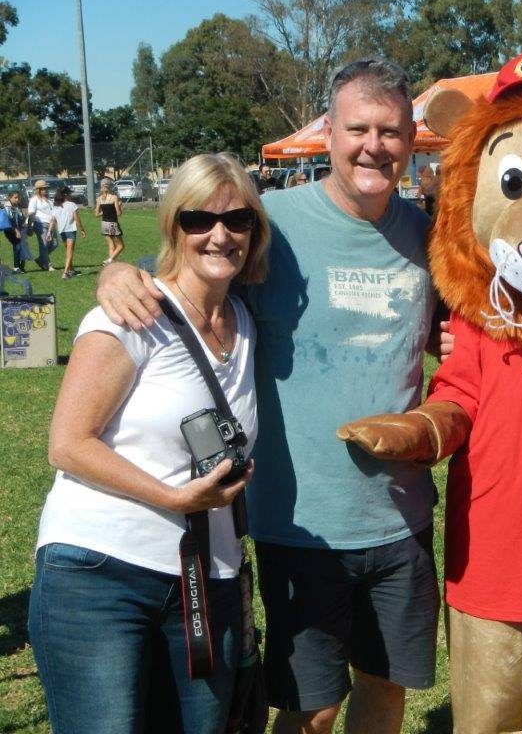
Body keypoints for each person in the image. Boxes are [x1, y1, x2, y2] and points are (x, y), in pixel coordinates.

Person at [96, 58, 437, 734]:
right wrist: (120, 271)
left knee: (387, 691)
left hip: (400, 518)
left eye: (391, 131)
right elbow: (192, 260)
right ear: (329, 133)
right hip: (299, 519)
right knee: (310, 710)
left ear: (411, 140)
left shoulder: (429, 236)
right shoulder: (272, 221)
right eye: (358, 128)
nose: (375, 145)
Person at [28, 153, 270, 734]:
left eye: (238, 220)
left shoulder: (244, 318)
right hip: (99, 576)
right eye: (198, 220)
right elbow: (67, 444)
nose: (219, 235)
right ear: (172, 226)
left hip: (203, 580)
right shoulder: (132, 315)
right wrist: (172, 497)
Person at [49, 186, 85, 279]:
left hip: (62, 232)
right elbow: (77, 219)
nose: (70, 195)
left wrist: (49, 232)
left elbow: (52, 220)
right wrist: (82, 229)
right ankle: (65, 273)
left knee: (68, 251)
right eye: (69, 194)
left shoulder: (56, 206)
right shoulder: (72, 205)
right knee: (69, 252)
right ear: (65, 195)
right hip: (70, 231)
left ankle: (71, 270)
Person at [27, 179, 57, 271]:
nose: (45, 190)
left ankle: (40, 259)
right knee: (44, 244)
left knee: (55, 243)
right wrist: (30, 226)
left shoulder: (48, 200)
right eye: (43, 189)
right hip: (40, 224)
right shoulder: (34, 200)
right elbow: (31, 214)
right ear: (38, 190)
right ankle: (48, 265)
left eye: (46, 188)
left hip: (51, 224)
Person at [94, 178, 125, 264]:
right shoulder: (114, 197)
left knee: (111, 246)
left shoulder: (99, 199)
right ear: (110, 186)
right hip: (112, 224)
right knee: (120, 246)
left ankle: (111, 264)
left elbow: (96, 214)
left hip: (104, 224)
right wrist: (120, 205)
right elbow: (118, 213)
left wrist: (104, 212)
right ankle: (110, 260)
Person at [2, 189, 31, 271]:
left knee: (22, 246)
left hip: (19, 229)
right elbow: (10, 220)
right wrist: (17, 231)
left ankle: (21, 267)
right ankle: (16, 267)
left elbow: (21, 218)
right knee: (17, 246)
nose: (17, 199)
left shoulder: (17, 206)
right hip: (10, 230)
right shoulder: (7, 207)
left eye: (18, 198)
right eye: (15, 197)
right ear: (10, 198)